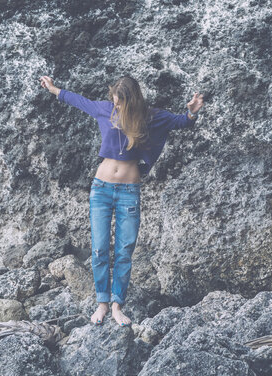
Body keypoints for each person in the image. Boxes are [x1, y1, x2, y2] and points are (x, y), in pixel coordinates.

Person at [39, 75, 204, 326]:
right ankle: (102, 304)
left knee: (125, 250)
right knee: (99, 248)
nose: (115, 106)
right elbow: (78, 100)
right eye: (114, 102)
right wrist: (53, 89)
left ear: (132, 101)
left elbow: (180, 122)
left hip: (128, 190)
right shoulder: (105, 109)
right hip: (101, 190)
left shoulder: (150, 117)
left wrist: (191, 113)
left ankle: (117, 306)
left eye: (120, 103)